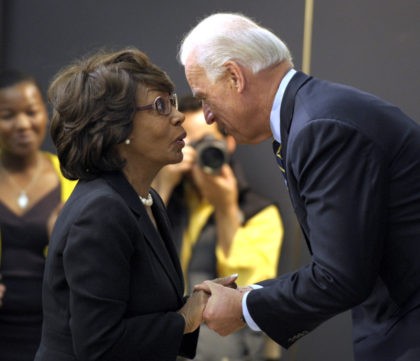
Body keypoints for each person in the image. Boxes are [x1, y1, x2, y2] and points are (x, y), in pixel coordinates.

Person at [178, 13, 420, 361]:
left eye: (205, 97)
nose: (209, 115)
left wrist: (244, 306)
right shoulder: (313, 116)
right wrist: (249, 296)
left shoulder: (320, 128)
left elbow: (340, 278)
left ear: (235, 77)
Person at [33, 48, 222, 361]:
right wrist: (183, 320)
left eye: (172, 101)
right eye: (161, 106)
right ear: (117, 128)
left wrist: (200, 302)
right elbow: (99, 346)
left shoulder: (145, 198)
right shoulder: (101, 211)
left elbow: (138, 309)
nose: (178, 116)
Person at [152, 95, 284, 361]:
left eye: (207, 143)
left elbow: (247, 289)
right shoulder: (166, 201)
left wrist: (226, 209)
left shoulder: (259, 212)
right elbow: (137, 259)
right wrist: (161, 187)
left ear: (228, 143)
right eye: (188, 142)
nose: (199, 152)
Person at [0, 69, 76, 361]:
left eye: (31, 112)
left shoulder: (72, 180)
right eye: (8, 115)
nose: (22, 124)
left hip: (54, 335)